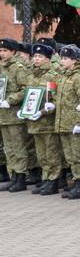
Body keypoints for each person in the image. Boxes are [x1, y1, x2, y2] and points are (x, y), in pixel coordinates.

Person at [52, 45, 80, 199]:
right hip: (64, 122)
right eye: (61, 58)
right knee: (70, 156)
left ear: (75, 60)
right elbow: (60, 98)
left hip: (75, 123)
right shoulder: (64, 75)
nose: (62, 61)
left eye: (65, 58)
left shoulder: (79, 76)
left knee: (79, 155)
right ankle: (77, 182)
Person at [25, 43, 60, 195]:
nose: (36, 59)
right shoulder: (32, 75)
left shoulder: (53, 75)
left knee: (51, 153)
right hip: (34, 122)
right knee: (41, 154)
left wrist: (46, 109)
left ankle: (53, 180)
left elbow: (57, 99)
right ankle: (45, 179)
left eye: (40, 57)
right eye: (35, 56)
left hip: (47, 122)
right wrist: (25, 111)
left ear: (48, 59)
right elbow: (28, 97)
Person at [0, 38, 32, 192]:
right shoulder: (1, 67)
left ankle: (21, 176)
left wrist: (11, 99)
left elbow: (26, 89)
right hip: (3, 115)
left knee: (18, 146)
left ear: (13, 51)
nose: (2, 54)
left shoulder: (18, 68)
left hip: (14, 115)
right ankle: (12, 175)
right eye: (0, 51)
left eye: (5, 51)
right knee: (9, 148)